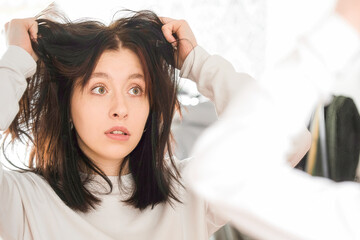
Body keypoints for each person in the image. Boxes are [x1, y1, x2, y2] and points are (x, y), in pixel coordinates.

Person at [0, 10, 236, 240]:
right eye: (99, 89)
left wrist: (197, 62)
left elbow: (268, 131)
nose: (120, 109)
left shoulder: (191, 192)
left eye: (135, 90)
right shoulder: (21, 202)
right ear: (67, 105)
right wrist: (16, 60)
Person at [185, 0, 360, 239]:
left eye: (135, 90)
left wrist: (341, 28)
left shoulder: (177, 190)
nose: (119, 109)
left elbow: (225, 170)